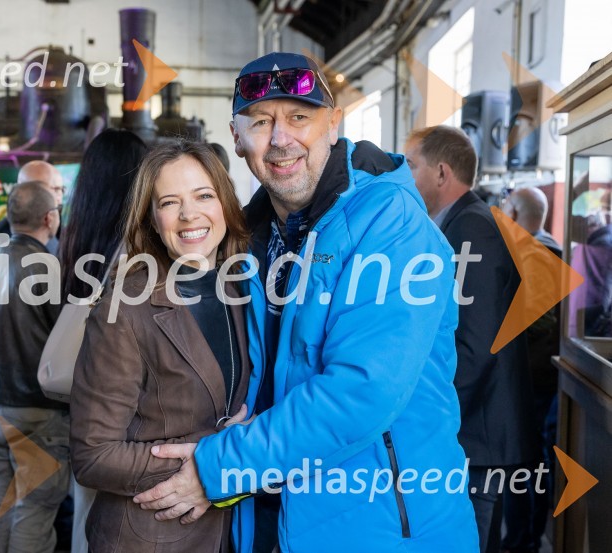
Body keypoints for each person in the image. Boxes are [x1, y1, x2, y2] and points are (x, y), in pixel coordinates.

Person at [134, 53, 478, 552]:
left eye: (299, 117)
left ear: (333, 125)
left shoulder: (389, 223)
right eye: (260, 122)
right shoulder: (248, 239)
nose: (280, 138)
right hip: (273, 520)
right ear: (237, 137)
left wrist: (218, 466)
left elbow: (360, 394)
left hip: (381, 529)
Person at [69, 140, 251, 552]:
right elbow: (93, 455)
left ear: (225, 201)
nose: (190, 215)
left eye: (204, 195)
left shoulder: (245, 289)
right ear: (151, 217)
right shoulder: (125, 308)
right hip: (150, 536)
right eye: (170, 202)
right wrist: (213, 463)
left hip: (230, 531)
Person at [404, 125, 536, 553]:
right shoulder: (458, 225)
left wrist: (424, 415)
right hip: (472, 428)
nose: (403, 178)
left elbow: (475, 346)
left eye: (410, 166)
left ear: (441, 173)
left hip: (477, 433)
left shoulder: (471, 230)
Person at [56, 128, 148, 553]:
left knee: (86, 513)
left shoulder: (74, 237)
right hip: (127, 404)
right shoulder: (134, 245)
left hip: (85, 399)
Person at [0, 181, 67, 553]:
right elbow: (67, 339)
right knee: (34, 509)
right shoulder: (52, 270)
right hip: (40, 410)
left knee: (2, 506)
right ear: (50, 218)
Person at [499, 186, 561, 553]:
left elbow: (539, 321)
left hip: (533, 383)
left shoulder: (536, 256)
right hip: (538, 380)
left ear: (517, 217)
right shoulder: (547, 247)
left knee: (523, 468)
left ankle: (521, 542)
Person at [0, 160, 64, 254]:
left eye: (60, 189)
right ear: (21, 191)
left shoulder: (66, 234)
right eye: (53, 190)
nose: (58, 197)